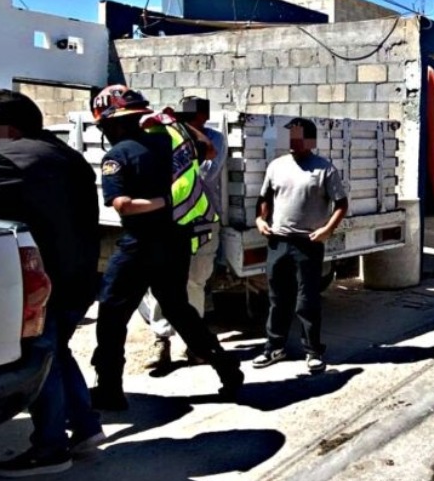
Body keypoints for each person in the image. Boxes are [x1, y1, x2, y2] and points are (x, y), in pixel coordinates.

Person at [0, 90, 103, 477]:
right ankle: (85, 428)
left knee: (37, 359)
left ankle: (50, 448)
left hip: (41, 279)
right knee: (57, 352)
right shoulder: (68, 155)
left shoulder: (10, 156)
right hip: (80, 275)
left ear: (7, 128)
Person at [89, 85, 242, 410]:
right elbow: (208, 151)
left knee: (112, 313)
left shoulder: (117, 156)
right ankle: (225, 367)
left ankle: (109, 389)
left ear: (110, 124)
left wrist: (162, 201)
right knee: (178, 308)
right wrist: (178, 124)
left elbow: (123, 205)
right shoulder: (170, 142)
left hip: (138, 246)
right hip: (175, 242)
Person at [253, 117, 348, 373]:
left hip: (308, 244)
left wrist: (327, 230)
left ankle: (313, 351)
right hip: (278, 242)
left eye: (297, 137)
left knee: (307, 301)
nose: (291, 142)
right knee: (277, 299)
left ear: (310, 140)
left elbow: (341, 204)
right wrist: (260, 219)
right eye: (289, 136)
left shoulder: (324, 168)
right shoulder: (276, 166)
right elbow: (265, 197)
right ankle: (275, 347)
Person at [139, 96, 226, 370]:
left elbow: (205, 173)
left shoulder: (213, 138)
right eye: (182, 115)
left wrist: (186, 131)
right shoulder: (164, 135)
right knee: (160, 282)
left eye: (192, 116)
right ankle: (161, 340)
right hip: (166, 220)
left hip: (201, 220)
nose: (185, 120)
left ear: (204, 117)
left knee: (194, 282)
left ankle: (194, 344)